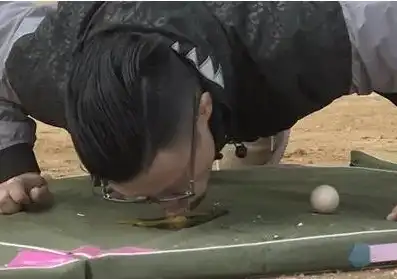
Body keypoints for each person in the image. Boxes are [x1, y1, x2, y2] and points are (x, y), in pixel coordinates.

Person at [1, 2, 397, 219]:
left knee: (260, 137)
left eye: (177, 187)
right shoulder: (51, 68)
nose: (173, 212)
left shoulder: (297, 38)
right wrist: (12, 162)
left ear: (203, 110)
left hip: (252, 61)